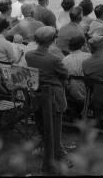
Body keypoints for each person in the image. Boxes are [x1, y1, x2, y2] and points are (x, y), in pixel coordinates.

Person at [23, 26, 70, 164]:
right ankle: (58, 154)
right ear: (51, 41)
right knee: (55, 127)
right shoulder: (54, 59)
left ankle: (54, 150)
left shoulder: (29, 55)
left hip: (37, 94)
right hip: (53, 96)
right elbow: (65, 74)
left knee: (42, 125)